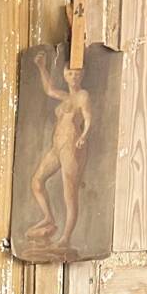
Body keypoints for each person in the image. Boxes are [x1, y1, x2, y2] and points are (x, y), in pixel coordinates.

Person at [25, 51, 93, 251]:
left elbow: (88, 117)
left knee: (69, 193)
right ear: (65, 75)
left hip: (72, 147)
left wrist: (84, 135)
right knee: (36, 181)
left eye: (77, 74)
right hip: (57, 147)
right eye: (70, 74)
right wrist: (42, 67)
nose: (74, 77)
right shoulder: (65, 97)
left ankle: (65, 238)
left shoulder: (82, 95)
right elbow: (49, 89)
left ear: (82, 75)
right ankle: (48, 217)